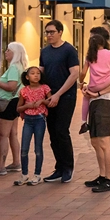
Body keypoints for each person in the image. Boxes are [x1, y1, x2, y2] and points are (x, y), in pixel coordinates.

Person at [37, 18, 82, 184]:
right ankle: (59, 167)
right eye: (47, 32)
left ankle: (68, 168)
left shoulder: (69, 50)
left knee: (62, 131)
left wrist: (58, 94)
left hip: (66, 97)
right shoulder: (45, 51)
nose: (49, 35)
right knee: (53, 133)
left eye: (52, 32)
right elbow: (41, 72)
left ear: (60, 32)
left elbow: (74, 73)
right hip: (49, 97)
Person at [80, 30, 110, 193]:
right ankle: (102, 175)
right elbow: (86, 76)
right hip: (94, 101)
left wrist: (99, 93)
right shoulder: (92, 57)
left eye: (92, 37)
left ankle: (109, 180)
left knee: (104, 141)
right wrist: (86, 89)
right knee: (95, 141)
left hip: (106, 101)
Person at [0, 41, 26, 175]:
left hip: (8, 102)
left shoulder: (14, 68)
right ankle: (16, 162)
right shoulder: (19, 66)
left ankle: (0, 166)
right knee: (12, 133)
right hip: (15, 101)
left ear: (14, 53)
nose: (6, 52)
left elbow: (11, 86)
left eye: (8, 50)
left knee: (2, 134)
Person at [13, 66, 51, 186]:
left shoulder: (45, 88)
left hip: (40, 119)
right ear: (27, 77)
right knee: (24, 148)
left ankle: (37, 174)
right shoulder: (24, 91)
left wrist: (42, 101)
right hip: (28, 120)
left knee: (38, 148)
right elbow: (18, 108)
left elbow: (51, 101)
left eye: (38, 73)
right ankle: (24, 174)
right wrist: (27, 106)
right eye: (33, 73)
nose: (36, 75)